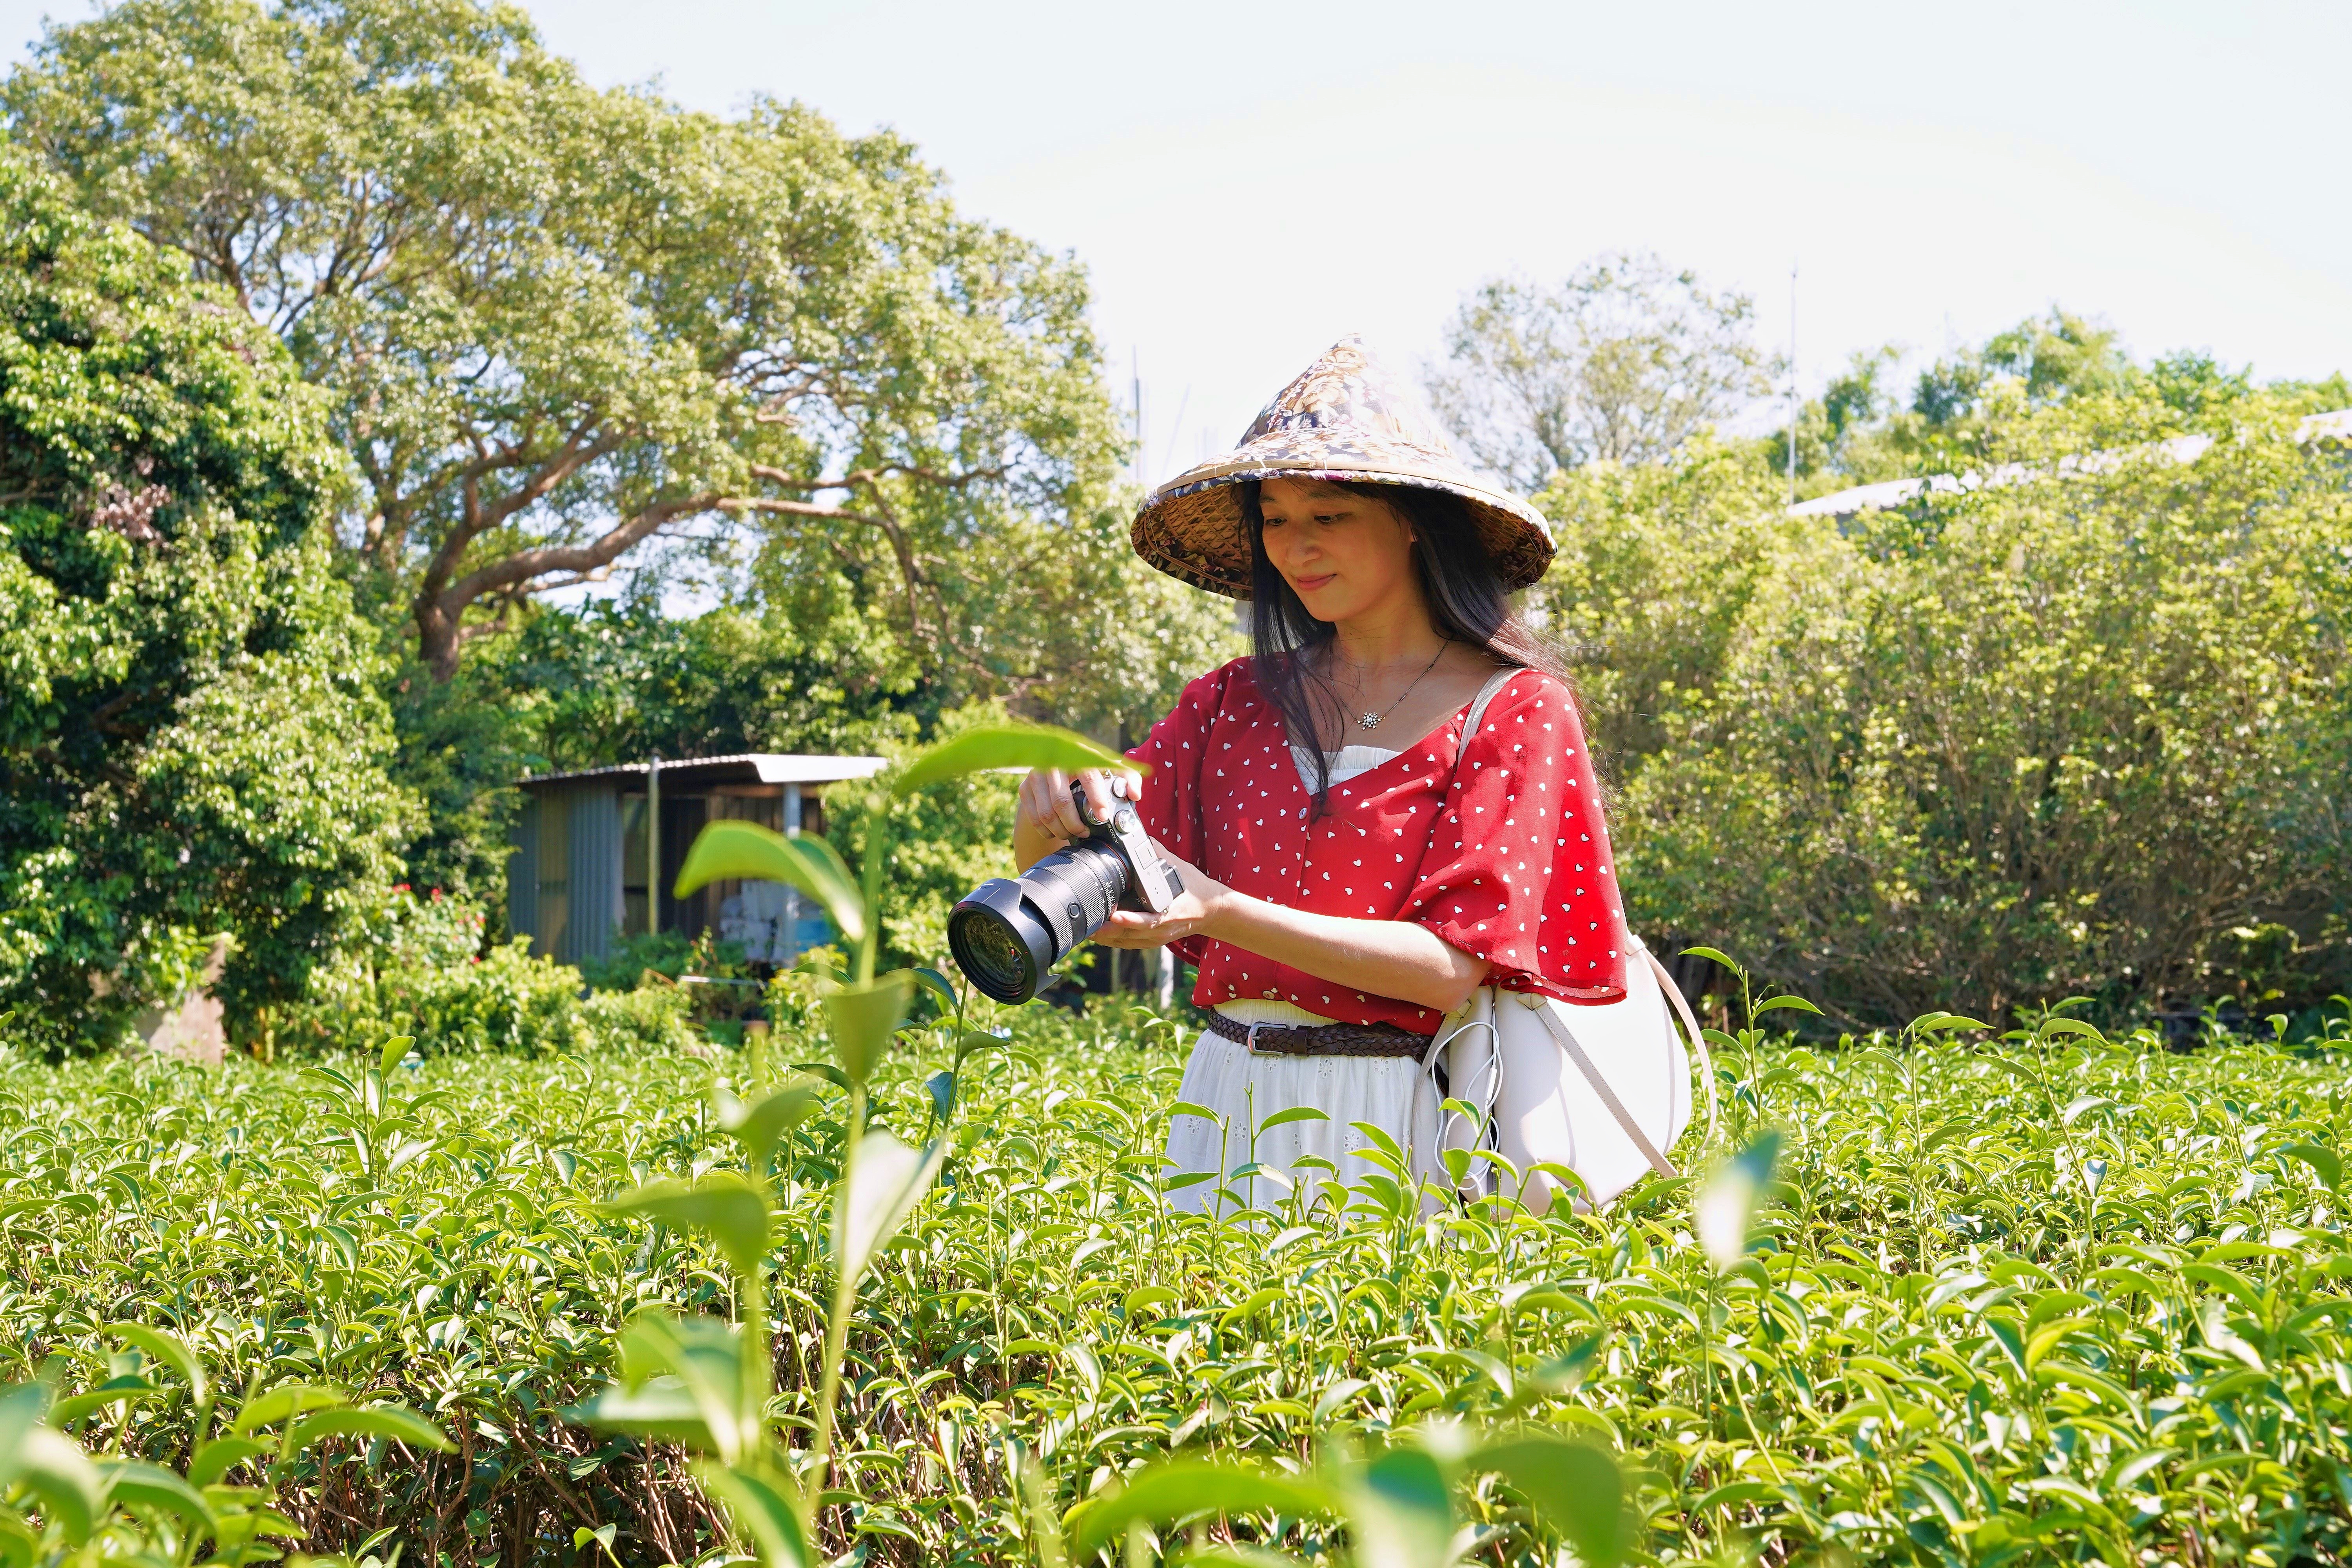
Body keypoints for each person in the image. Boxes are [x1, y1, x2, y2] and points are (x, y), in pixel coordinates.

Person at [1012, 336, 1632, 1212]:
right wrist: (1048, 804)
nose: (1295, 547)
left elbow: (1451, 968)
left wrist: (1223, 910)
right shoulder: (1230, 702)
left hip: (1400, 1112)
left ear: (1413, 518)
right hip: (1225, 1098)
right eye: (1274, 518)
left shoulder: (1517, 709)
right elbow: (1085, 860)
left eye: (1328, 515)